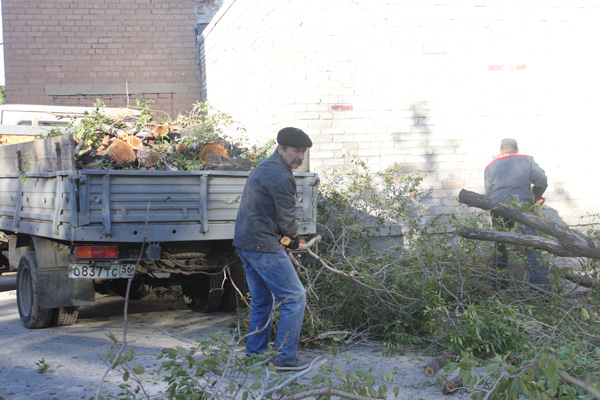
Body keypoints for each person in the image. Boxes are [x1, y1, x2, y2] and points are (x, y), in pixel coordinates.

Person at [233, 127, 312, 371]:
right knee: (294, 298)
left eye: (303, 152)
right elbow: (287, 219)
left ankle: (255, 355)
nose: (299, 156)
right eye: (295, 151)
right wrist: (295, 240)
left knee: (262, 300)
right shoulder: (281, 176)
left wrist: (287, 240)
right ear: (281, 149)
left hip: (246, 242)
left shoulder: (268, 166)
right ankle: (285, 357)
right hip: (263, 245)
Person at [484, 138, 550, 286]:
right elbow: (541, 180)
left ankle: (499, 286)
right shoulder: (527, 159)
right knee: (530, 244)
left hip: (498, 206)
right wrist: (535, 196)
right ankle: (541, 289)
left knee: (500, 244)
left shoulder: (490, 166)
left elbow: (489, 192)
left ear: (501, 151)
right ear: (517, 150)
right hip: (522, 207)